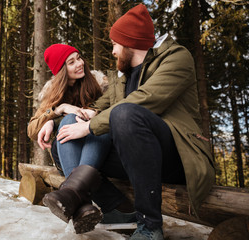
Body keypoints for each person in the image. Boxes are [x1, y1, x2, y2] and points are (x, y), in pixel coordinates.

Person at [55, 4, 215, 240]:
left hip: (175, 155)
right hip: (134, 156)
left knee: (124, 113)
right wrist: (58, 116)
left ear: (129, 44)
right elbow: (99, 107)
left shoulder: (176, 58)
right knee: (68, 126)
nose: (113, 52)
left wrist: (89, 126)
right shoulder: (123, 75)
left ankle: (150, 226)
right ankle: (99, 206)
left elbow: (147, 99)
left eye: (115, 45)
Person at [27, 44, 111, 234]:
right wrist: (56, 113)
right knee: (70, 119)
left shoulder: (99, 85)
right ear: (62, 70)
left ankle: (81, 204)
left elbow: (109, 115)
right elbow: (32, 129)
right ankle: (80, 196)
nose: (79, 64)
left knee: (93, 122)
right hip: (66, 152)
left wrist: (91, 115)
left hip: (99, 145)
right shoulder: (53, 93)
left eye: (79, 58)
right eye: (71, 62)